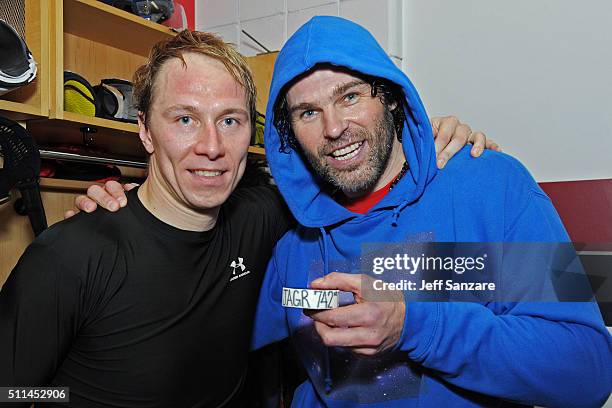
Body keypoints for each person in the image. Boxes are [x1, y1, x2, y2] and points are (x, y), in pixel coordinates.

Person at [1, 30, 490, 407]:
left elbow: (355, 178)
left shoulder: (267, 219)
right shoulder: (70, 255)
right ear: (146, 131)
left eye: (229, 120)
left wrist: (429, 139)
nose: (211, 146)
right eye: (185, 119)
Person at [248, 16, 612, 407]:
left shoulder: (490, 186)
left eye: (350, 96)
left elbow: (589, 367)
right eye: (308, 113)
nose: (334, 128)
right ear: (288, 135)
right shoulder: (293, 245)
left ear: (388, 94)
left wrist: (414, 325)